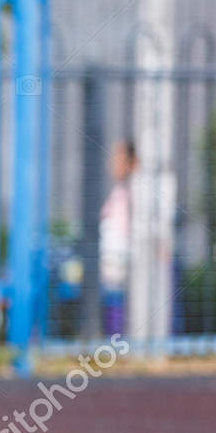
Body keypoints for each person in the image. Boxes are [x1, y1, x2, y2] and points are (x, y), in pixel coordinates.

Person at [99, 139, 137, 336]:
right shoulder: (120, 191)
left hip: (121, 263)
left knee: (117, 304)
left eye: (119, 158)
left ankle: (117, 342)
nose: (113, 162)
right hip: (110, 263)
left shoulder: (135, 192)